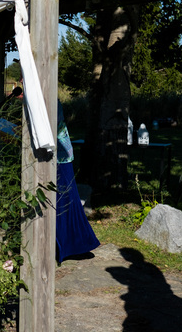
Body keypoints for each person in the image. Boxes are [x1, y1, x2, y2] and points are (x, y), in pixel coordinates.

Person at [55, 100, 100, 262]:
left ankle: (74, 245)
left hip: (59, 156)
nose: (19, 80)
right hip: (55, 154)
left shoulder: (46, 95)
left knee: (65, 202)